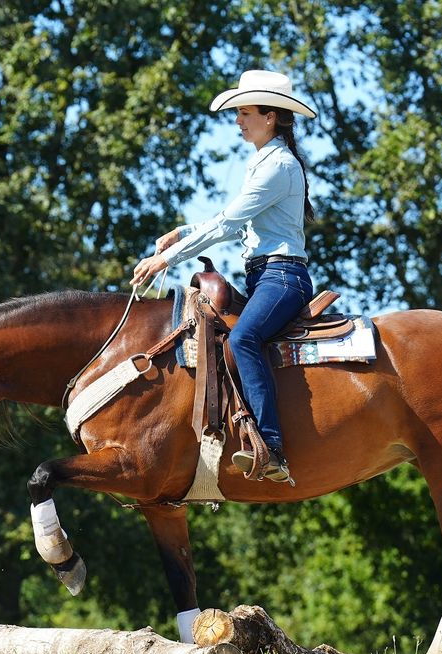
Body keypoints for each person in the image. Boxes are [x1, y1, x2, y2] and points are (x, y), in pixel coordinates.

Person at [131, 69, 316, 483]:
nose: (237, 120)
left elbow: (230, 223)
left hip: (282, 278)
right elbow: (229, 222)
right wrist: (183, 232)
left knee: (243, 338)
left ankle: (272, 448)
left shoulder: (279, 166)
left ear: (271, 117)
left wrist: (167, 260)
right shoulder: (266, 161)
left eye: (245, 112)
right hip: (265, 276)